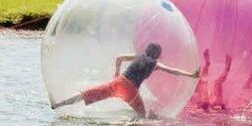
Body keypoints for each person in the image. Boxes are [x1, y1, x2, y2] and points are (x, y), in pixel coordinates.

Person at [51, 42, 196, 118]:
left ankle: (58, 104)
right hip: (131, 91)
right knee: (142, 116)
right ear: (158, 54)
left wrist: (116, 72)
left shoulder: (138, 56)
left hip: (119, 82)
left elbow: (119, 57)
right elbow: (174, 71)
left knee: (85, 94)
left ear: (147, 50)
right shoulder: (156, 64)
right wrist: (191, 75)